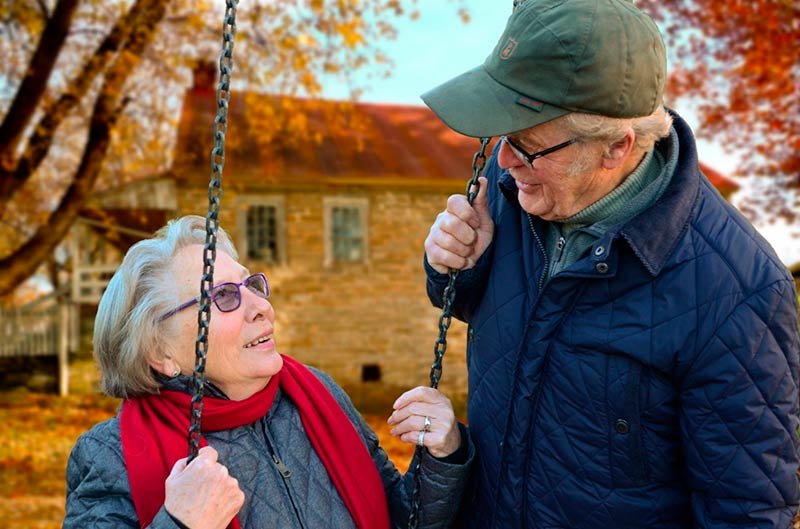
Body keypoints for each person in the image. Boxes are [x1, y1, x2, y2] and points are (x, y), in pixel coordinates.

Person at [420, 1, 800, 528]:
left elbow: (747, 510)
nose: (504, 161)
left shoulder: (739, 291)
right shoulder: (516, 186)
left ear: (617, 148)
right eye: (501, 137)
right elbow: (477, 306)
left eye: (527, 147)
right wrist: (454, 264)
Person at [64, 214, 473, 529]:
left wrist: (441, 456)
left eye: (251, 286)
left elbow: (399, 518)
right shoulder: (109, 454)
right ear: (160, 352)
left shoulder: (317, 395)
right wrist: (180, 523)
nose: (260, 306)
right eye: (223, 297)